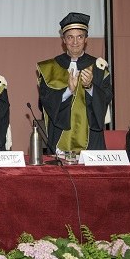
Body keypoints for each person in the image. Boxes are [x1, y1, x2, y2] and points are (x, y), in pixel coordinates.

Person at [37, 12, 112, 154]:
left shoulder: (99, 67)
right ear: (64, 40)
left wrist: (90, 87)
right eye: (70, 37)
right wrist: (68, 91)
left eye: (80, 37)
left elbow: (106, 99)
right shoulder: (50, 68)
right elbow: (44, 102)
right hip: (60, 138)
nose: (75, 42)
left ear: (86, 39)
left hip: (91, 139)